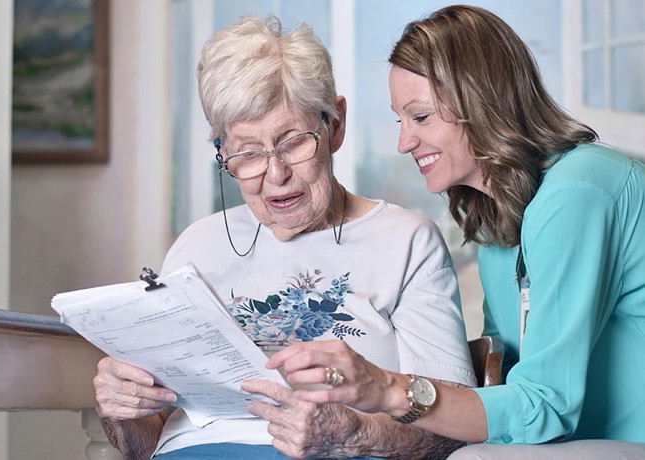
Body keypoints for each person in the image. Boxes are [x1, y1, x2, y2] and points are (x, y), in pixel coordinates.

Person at [262, 5, 645, 458]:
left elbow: (544, 408)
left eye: (421, 117)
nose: (404, 142)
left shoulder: (578, 192)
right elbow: (500, 376)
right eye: (399, 120)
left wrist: (388, 389)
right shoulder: (497, 220)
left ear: (484, 104)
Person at [94, 15, 477, 460]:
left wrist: (351, 432)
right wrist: (124, 410)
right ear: (221, 152)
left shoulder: (407, 241)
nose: (275, 175)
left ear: (335, 125)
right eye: (247, 152)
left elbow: (450, 430)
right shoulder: (195, 245)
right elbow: (142, 449)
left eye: (293, 141)